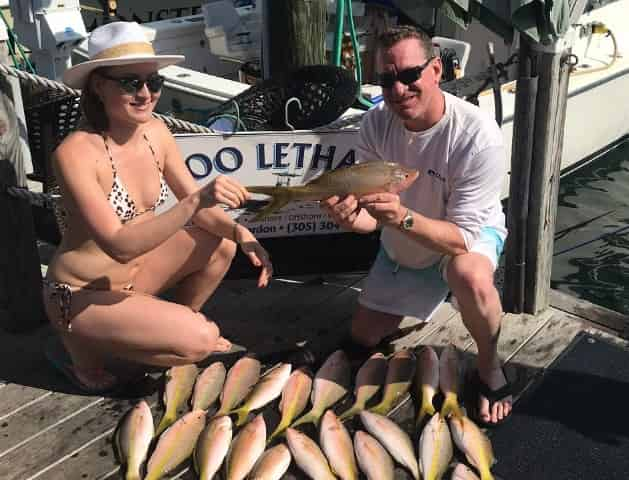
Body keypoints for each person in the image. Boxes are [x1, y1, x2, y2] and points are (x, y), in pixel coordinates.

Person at [43, 21, 273, 393]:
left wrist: (240, 231)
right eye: (131, 83)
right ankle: (83, 351)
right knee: (200, 341)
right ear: (99, 86)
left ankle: (156, 328)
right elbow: (119, 245)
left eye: (155, 82)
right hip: (80, 294)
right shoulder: (74, 154)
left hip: (136, 280)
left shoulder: (156, 132)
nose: (146, 93)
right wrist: (199, 199)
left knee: (222, 243)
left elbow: (196, 207)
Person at [322, 25, 512, 426]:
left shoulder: (478, 136)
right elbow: (367, 220)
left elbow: (461, 238)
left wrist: (401, 217)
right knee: (359, 342)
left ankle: (490, 366)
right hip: (403, 239)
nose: (399, 89)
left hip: (465, 238)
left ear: (436, 70)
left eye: (410, 75)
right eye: (387, 79)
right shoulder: (374, 123)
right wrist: (347, 216)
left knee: (471, 276)